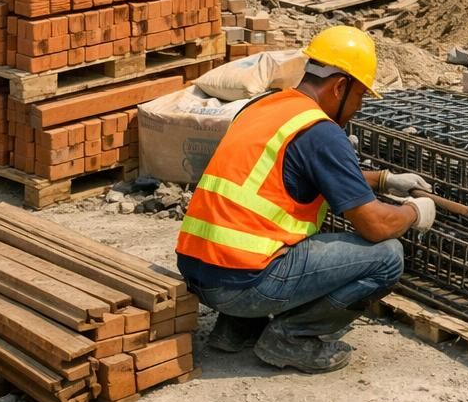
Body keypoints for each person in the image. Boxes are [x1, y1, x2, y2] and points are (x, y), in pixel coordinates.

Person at [176, 26, 436, 374]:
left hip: (199, 272)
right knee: (387, 256)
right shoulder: (320, 131)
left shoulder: (265, 106)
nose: (358, 108)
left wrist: (384, 180)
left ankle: (237, 327)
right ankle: (290, 337)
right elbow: (375, 226)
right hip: (241, 284)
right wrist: (413, 212)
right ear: (340, 87)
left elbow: (300, 173)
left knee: (278, 234)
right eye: (360, 97)